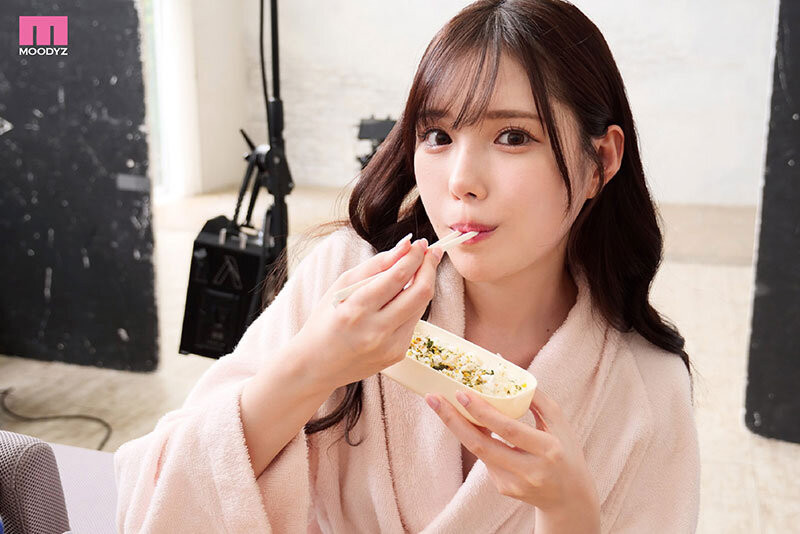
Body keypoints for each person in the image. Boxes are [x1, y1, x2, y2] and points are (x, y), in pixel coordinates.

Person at [115, 0, 700, 532]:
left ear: (600, 161)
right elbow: (154, 498)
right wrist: (312, 365)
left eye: (513, 136)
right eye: (438, 135)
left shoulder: (648, 388)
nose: (462, 182)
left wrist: (570, 513)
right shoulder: (347, 281)